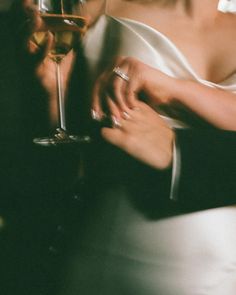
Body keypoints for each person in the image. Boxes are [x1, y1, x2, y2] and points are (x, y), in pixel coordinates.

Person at [8, 0, 236, 295]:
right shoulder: (100, 8)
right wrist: (52, 92)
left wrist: (173, 90)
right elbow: (56, 166)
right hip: (111, 253)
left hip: (223, 273)